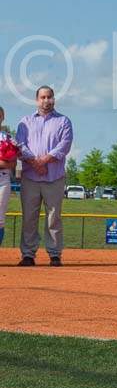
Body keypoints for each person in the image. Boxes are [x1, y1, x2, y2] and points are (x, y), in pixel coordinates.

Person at [15, 86, 73, 266]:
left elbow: (65, 145)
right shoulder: (25, 122)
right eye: (42, 97)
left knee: (53, 217)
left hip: (54, 177)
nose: (46, 100)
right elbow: (20, 145)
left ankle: (55, 254)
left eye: (49, 97)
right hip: (30, 177)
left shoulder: (64, 121)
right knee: (29, 217)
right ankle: (28, 255)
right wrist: (34, 162)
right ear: (36, 100)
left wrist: (45, 160)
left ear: (53, 99)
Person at [0, 106, 15, 247]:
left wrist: (6, 163)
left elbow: (12, 163)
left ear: (3, 117)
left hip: (3, 180)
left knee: (0, 219)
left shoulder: (8, 138)